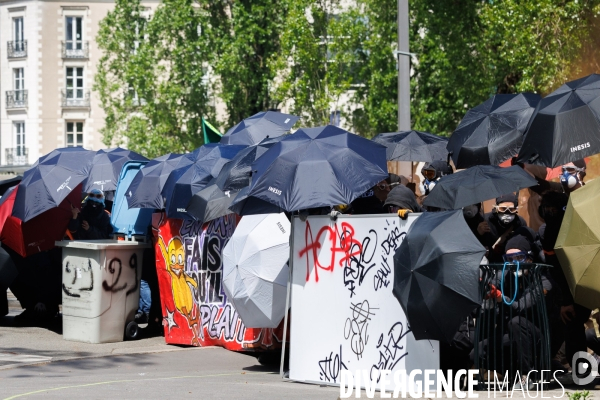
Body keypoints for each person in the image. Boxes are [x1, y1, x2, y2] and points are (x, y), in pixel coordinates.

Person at [477, 194, 528, 263]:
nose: (507, 213)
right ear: (496, 208)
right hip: (489, 261)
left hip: (511, 262)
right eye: (503, 209)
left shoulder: (520, 222)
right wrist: (478, 233)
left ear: (516, 210)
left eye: (511, 209)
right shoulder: (485, 220)